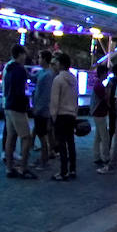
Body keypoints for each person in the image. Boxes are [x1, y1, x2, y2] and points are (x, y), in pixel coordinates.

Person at [2, 45, 37, 179]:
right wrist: (26, 104)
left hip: (8, 105)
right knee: (26, 137)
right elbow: (20, 91)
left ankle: (9, 167)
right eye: (24, 54)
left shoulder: (9, 68)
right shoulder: (20, 70)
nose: (25, 57)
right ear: (20, 54)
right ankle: (23, 167)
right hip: (17, 107)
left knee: (10, 137)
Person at [49, 52, 78, 180]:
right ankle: (72, 169)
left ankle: (63, 171)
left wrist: (53, 116)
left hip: (61, 115)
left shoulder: (58, 79)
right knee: (71, 142)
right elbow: (76, 98)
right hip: (71, 115)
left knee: (61, 144)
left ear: (61, 64)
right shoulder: (74, 79)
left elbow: (54, 100)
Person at [31, 51, 55, 167]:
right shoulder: (43, 72)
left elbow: (46, 95)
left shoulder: (48, 75)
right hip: (39, 107)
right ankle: (44, 157)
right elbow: (33, 78)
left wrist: (39, 108)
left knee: (42, 135)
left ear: (45, 59)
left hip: (42, 109)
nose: (38, 60)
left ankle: (44, 159)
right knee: (41, 133)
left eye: (40, 58)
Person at [90, 64, 111, 168]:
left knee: (98, 136)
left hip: (97, 112)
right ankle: (105, 157)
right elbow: (105, 98)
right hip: (100, 113)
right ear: (103, 73)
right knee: (104, 136)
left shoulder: (98, 84)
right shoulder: (99, 86)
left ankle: (96, 156)